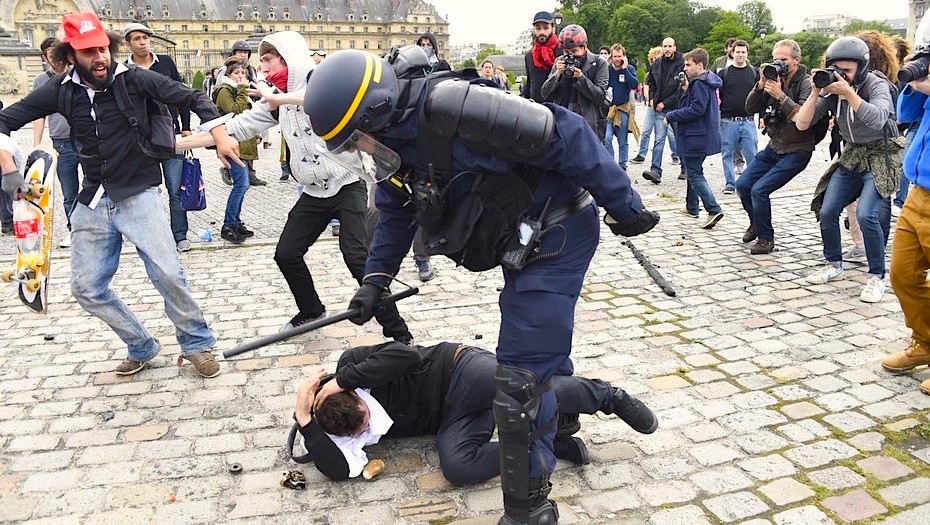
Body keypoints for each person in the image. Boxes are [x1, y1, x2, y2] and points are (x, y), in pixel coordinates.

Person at [304, 45, 659, 525]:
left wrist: (625, 205)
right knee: (535, 363)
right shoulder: (393, 150)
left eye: (356, 139)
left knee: (521, 382)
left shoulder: (457, 108)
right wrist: (375, 280)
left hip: (557, 230)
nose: (358, 150)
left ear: (379, 114)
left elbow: (569, 133)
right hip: (517, 239)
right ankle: (566, 419)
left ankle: (529, 509)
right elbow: (394, 213)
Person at [0, 12, 242, 377]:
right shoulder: (61, 89)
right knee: (86, 288)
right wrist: (9, 169)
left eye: (102, 48)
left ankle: (196, 343)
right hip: (93, 198)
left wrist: (221, 136)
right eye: (88, 52)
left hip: (138, 192)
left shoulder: (135, 80)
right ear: (71, 55)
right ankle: (141, 344)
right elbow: (6, 119)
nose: (99, 58)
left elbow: (191, 96)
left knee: (168, 274)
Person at [176, 32, 413, 341]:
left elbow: (318, 98)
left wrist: (279, 99)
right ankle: (312, 310)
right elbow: (236, 126)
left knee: (356, 256)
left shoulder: (320, 83)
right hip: (314, 193)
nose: (262, 66)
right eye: (261, 60)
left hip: (348, 184)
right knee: (286, 254)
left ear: (288, 57)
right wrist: (179, 143)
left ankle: (399, 333)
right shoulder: (276, 101)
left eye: (268, 59)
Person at [293, 341, 657, 482]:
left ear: (356, 397)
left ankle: (607, 396)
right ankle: (543, 438)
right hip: (454, 419)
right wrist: (304, 417)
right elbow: (339, 470)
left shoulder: (352, 366)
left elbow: (408, 355)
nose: (368, 427)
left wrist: (345, 377)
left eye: (365, 416)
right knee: (458, 468)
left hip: (458, 371)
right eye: (361, 431)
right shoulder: (331, 422)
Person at [796, 36, 905, 303]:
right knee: (827, 208)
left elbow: (879, 119)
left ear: (862, 67)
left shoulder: (876, 85)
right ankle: (834, 264)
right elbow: (802, 123)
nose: (841, 75)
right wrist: (815, 92)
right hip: (853, 153)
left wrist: (849, 93)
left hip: (882, 152)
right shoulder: (833, 91)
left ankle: (877, 277)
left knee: (868, 214)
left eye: (848, 70)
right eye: (837, 69)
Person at [881, 17, 930, 394]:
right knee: (901, 274)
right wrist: (917, 83)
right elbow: (906, 115)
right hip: (916, 193)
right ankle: (925, 343)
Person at [737, 39, 817, 255]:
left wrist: (780, 96)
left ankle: (766, 238)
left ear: (796, 60)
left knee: (760, 189)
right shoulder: (773, 79)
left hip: (798, 149)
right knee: (743, 185)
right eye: (776, 60)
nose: (778, 64)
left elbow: (802, 118)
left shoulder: (807, 83)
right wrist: (760, 85)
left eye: (783, 60)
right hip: (775, 146)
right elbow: (749, 108)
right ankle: (756, 222)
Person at [123, 22, 196, 252]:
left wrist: (186, 126)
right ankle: (150, 237)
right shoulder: (123, 70)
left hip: (170, 134)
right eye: (137, 38)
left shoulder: (165, 63)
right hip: (139, 140)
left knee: (175, 189)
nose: (143, 42)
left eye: (145, 37)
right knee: (146, 191)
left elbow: (181, 95)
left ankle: (180, 235)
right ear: (128, 43)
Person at [666, 48, 725, 229]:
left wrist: (672, 115)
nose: (685, 68)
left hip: (696, 136)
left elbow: (696, 109)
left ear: (700, 65)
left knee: (694, 173)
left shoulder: (699, 83)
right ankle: (692, 207)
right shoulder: (706, 81)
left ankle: (713, 208)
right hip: (702, 134)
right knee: (695, 169)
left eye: (688, 64)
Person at [31, 37, 80, 248]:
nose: (57, 59)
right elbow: (37, 113)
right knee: (69, 192)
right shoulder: (41, 81)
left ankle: (102, 231)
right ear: (45, 58)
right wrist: (36, 144)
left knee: (98, 186)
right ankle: (74, 231)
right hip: (61, 141)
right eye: (52, 55)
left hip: (86, 139)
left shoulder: (79, 73)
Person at [212, 57, 257, 244]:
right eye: (237, 73)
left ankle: (236, 222)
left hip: (241, 142)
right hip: (230, 142)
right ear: (229, 74)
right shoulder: (224, 90)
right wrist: (242, 90)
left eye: (243, 73)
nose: (241, 76)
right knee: (240, 185)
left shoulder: (235, 89)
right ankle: (228, 225)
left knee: (243, 185)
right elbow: (235, 111)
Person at [541, 24, 609, 136]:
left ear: (584, 48)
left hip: (588, 125)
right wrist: (557, 75)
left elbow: (600, 96)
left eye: (574, 51)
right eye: (566, 52)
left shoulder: (599, 63)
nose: (570, 56)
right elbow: (545, 93)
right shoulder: (560, 62)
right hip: (562, 122)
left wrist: (581, 78)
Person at [718, 39, 759, 194]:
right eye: (738, 52)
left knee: (752, 155)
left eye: (743, 52)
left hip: (748, 120)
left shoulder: (754, 73)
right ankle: (730, 183)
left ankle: (751, 182)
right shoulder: (724, 73)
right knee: (726, 153)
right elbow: (718, 96)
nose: (740, 55)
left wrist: (761, 115)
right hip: (728, 120)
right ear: (732, 53)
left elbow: (760, 96)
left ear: (747, 53)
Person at [643, 37, 685, 184]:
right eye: (665, 46)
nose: (667, 49)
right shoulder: (657, 64)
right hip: (660, 108)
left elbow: (681, 90)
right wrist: (652, 98)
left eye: (669, 46)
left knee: (680, 138)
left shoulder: (682, 63)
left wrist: (665, 102)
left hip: (677, 108)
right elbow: (652, 83)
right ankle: (656, 170)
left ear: (675, 47)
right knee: (659, 139)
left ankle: (685, 168)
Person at [632, 46, 679, 171]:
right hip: (655, 107)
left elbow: (679, 90)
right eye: (652, 59)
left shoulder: (676, 66)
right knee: (653, 135)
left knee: (674, 135)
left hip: (670, 106)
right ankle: (653, 166)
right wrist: (651, 99)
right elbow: (648, 86)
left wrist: (662, 102)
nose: (654, 61)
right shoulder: (652, 71)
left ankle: (679, 159)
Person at [227, 41, 266, 187]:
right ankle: (234, 172)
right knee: (239, 146)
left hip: (249, 106)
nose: (243, 55)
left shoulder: (250, 69)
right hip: (236, 112)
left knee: (250, 144)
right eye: (240, 52)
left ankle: (250, 173)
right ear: (234, 53)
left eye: (245, 52)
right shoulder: (226, 70)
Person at [604, 43, 640, 170]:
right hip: (608, 109)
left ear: (623, 57)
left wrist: (625, 69)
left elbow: (634, 85)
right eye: (615, 56)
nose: (617, 59)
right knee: (607, 138)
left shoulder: (629, 69)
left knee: (622, 139)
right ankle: (610, 163)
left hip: (623, 108)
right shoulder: (607, 69)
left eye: (619, 56)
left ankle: (622, 164)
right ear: (611, 57)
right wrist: (605, 64)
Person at [521, 11, 561, 103]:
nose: (542, 32)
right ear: (534, 30)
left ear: (553, 29)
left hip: (558, 109)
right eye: (538, 28)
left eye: (546, 28)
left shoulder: (562, 51)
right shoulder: (529, 56)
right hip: (536, 109)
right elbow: (530, 83)